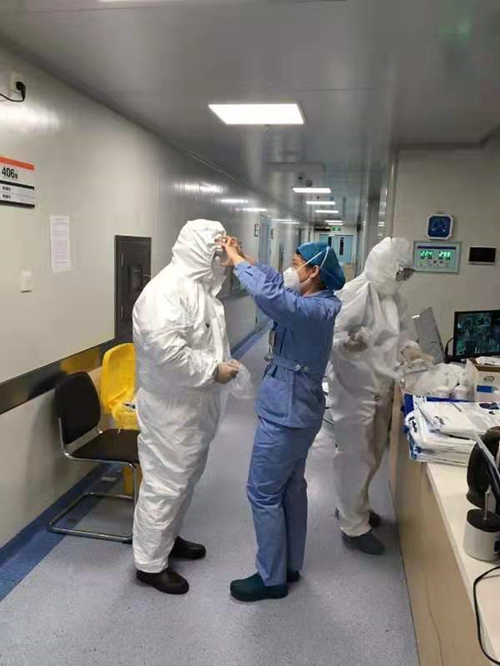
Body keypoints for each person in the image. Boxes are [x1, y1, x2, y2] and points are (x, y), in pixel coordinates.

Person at [221, 238, 345, 602]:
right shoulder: (312, 300)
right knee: (291, 486)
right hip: (299, 409)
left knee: (262, 492)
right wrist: (246, 258)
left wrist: (236, 262)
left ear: (314, 271)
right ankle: (289, 565)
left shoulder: (313, 310)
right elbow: (276, 283)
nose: (290, 270)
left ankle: (270, 577)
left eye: (295, 263)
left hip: (288, 412)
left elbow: (271, 296)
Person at [132, 219, 240, 594]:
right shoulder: (165, 292)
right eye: (216, 252)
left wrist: (219, 367)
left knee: (185, 480)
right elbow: (167, 354)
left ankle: (168, 538)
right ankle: (149, 563)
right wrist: (213, 370)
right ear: (198, 251)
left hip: (194, 406)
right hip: (170, 410)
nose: (221, 260)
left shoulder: (200, 290)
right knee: (165, 484)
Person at [327, 237, 425, 555]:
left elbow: (404, 332)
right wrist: (347, 344)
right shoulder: (355, 292)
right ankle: (352, 526)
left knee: (372, 455)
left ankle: (355, 507)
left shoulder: (394, 297)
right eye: (399, 272)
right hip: (354, 389)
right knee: (355, 458)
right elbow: (331, 335)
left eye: (406, 273)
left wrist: (410, 349)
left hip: (381, 386)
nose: (402, 279)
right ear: (384, 267)